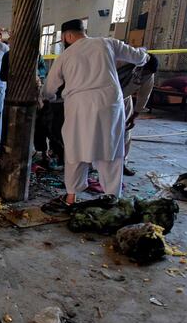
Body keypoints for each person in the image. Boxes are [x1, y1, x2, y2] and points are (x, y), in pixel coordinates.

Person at [42, 19, 148, 206]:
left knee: (76, 149)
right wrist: (144, 54)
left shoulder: (66, 56)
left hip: (78, 106)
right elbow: (139, 58)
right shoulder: (107, 42)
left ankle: (71, 196)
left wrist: (46, 98)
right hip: (109, 104)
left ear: (68, 36)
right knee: (111, 149)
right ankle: (112, 197)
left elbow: (50, 87)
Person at [118, 54, 158, 176]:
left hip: (123, 100)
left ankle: (121, 164)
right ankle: (91, 163)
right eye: (143, 71)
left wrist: (134, 115)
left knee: (125, 132)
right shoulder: (120, 62)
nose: (144, 75)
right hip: (102, 99)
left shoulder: (148, 75)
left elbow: (144, 95)